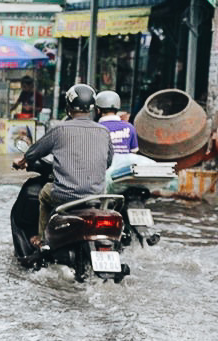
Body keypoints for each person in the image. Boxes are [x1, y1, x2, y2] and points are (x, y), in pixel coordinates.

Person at [12, 83, 114, 248]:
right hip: (96, 196)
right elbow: (108, 162)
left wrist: (21, 161)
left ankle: (43, 240)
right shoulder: (104, 131)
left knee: (44, 194)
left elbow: (34, 152)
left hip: (65, 196)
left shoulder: (60, 129)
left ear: (69, 106)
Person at [95, 90, 138, 156]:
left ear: (98, 110)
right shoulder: (130, 127)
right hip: (124, 165)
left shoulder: (95, 129)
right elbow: (134, 152)